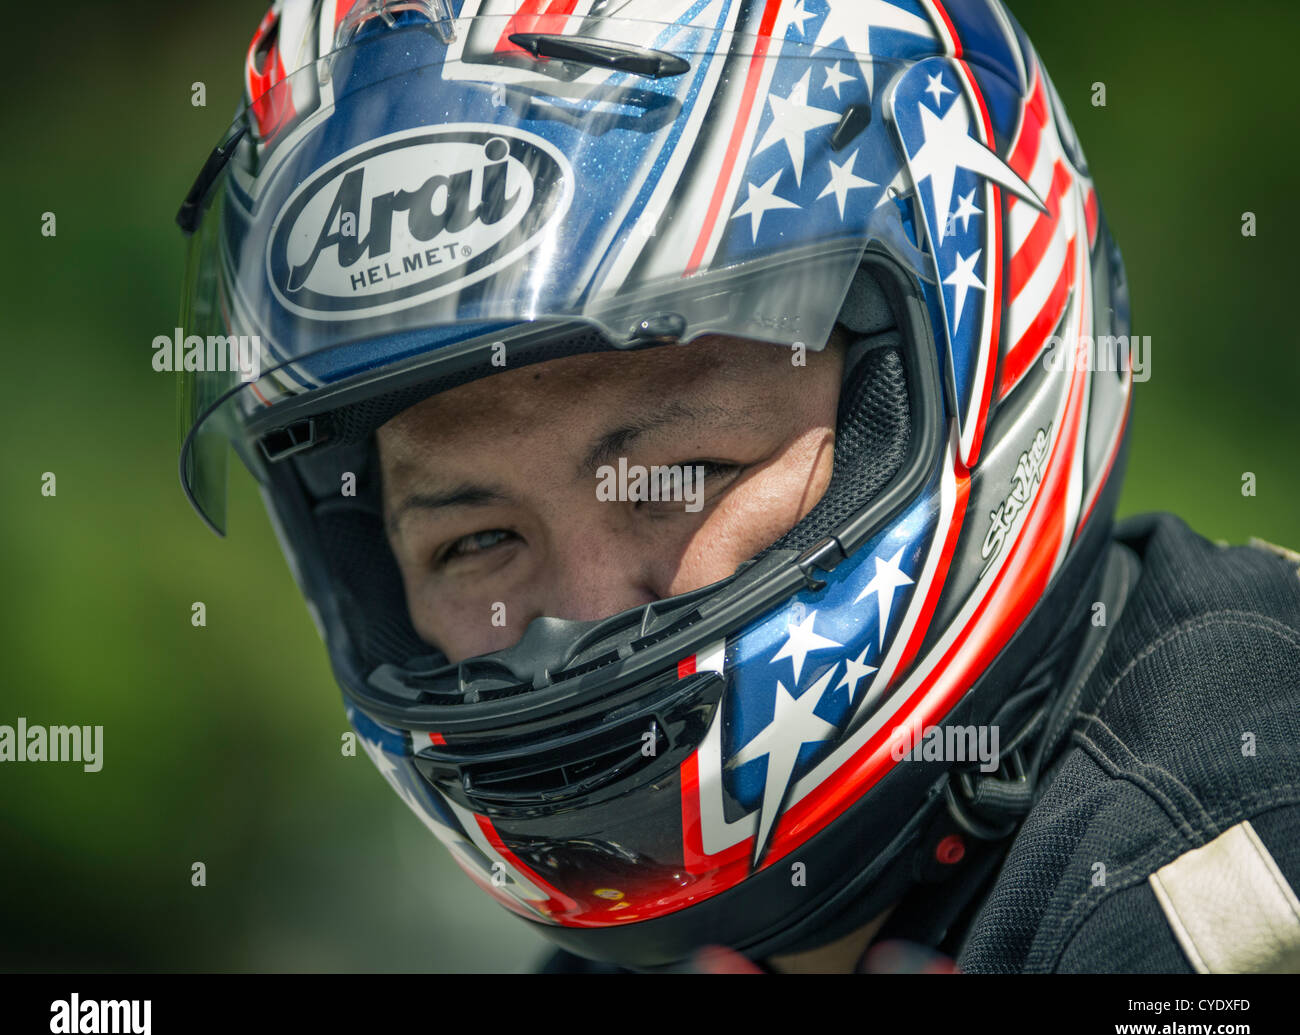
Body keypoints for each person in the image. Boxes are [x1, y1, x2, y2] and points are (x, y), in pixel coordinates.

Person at [174, 0, 1300, 974]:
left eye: (678, 474)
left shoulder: (1220, 882)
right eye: (473, 540)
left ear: (963, 348)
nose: (584, 610)